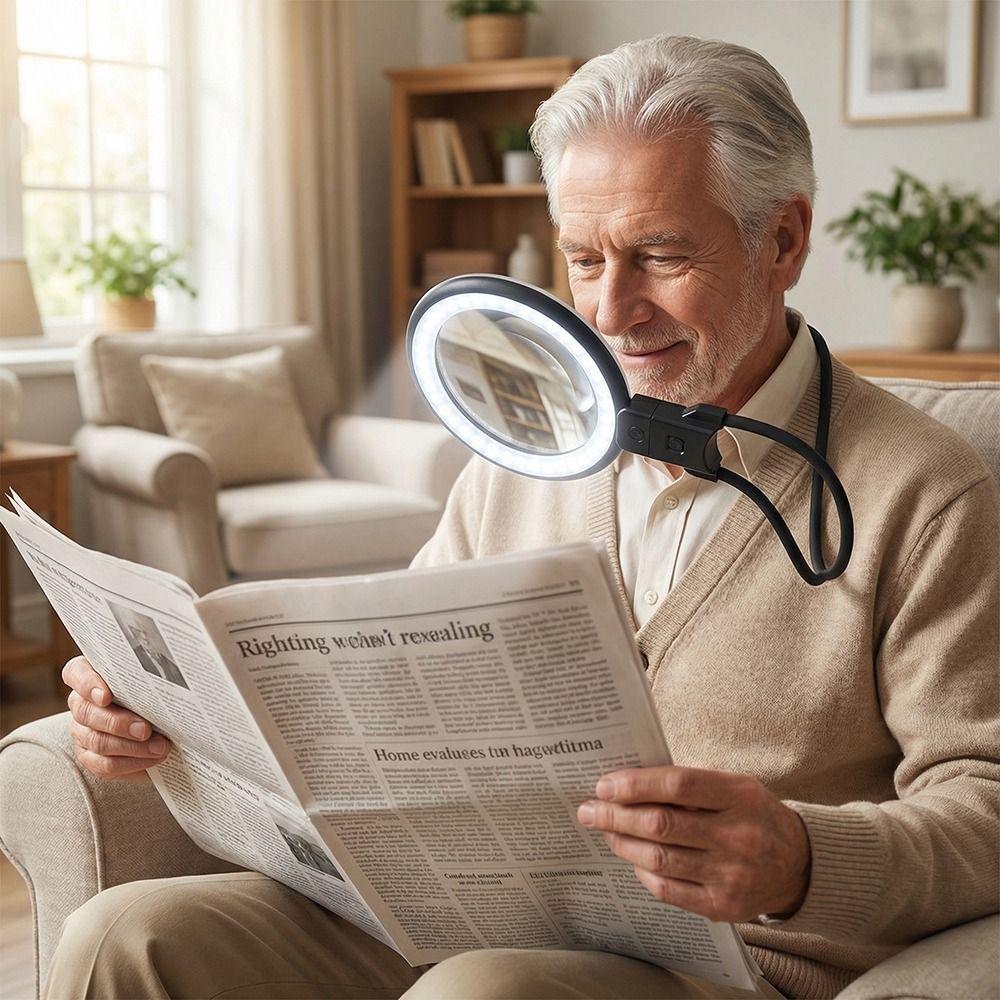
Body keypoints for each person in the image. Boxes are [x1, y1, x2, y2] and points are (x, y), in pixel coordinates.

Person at [49, 35, 998, 1000]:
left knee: (481, 992)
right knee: (125, 936)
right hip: (467, 913)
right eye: (584, 260)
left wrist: (799, 858)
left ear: (783, 240)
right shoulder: (528, 455)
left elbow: (989, 805)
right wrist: (169, 706)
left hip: (727, 962)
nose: (612, 312)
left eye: (660, 255)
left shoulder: (923, 490)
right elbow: (383, 687)